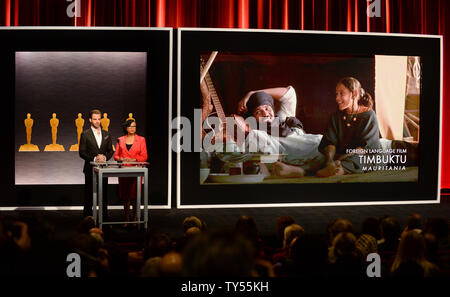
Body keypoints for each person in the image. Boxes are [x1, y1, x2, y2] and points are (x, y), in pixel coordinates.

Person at [236, 86, 324, 177]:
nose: (265, 114)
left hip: (313, 149)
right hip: (288, 162)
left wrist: (252, 92)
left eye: (267, 108)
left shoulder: (282, 118)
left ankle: (303, 171)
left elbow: (290, 94)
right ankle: (303, 171)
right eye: (258, 112)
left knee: (324, 143)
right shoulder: (257, 133)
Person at [316, 77, 382, 177]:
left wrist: (341, 159)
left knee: (362, 160)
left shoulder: (369, 115)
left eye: (341, 93)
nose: (337, 98)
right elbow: (330, 142)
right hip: (341, 157)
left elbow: (366, 148)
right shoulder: (336, 116)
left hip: (362, 156)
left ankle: (340, 169)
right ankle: (334, 167)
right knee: (321, 159)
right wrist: (329, 160)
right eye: (336, 94)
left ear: (354, 94)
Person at [79, 109, 114, 219]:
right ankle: (88, 218)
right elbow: (82, 152)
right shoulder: (85, 134)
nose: (97, 121)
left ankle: (104, 218)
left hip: (103, 169)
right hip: (90, 168)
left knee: (103, 194)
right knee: (89, 195)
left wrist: (104, 157)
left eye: (99, 119)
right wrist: (95, 158)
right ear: (90, 120)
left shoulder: (106, 134)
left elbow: (110, 151)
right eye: (95, 119)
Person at [114, 119, 148, 226]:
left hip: (136, 171)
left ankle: (134, 218)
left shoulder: (141, 139)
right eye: (130, 126)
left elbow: (144, 156)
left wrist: (134, 160)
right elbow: (116, 156)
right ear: (126, 128)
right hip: (124, 171)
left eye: (134, 126)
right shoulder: (120, 139)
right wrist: (121, 158)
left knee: (135, 196)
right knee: (125, 196)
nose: (133, 128)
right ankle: (126, 218)